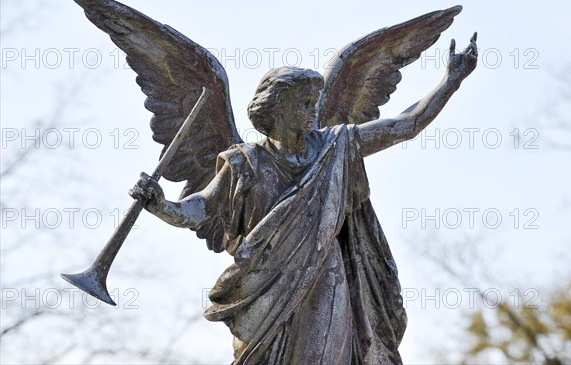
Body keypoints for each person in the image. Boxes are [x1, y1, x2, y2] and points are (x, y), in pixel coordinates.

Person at [130, 36, 477, 364]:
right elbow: (201, 207)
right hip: (262, 285)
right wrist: (161, 205)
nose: (313, 111)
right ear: (277, 109)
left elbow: (406, 125)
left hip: (326, 275)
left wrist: (451, 81)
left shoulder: (336, 145)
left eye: (314, 102)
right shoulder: (245, 162)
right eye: (304, 104)